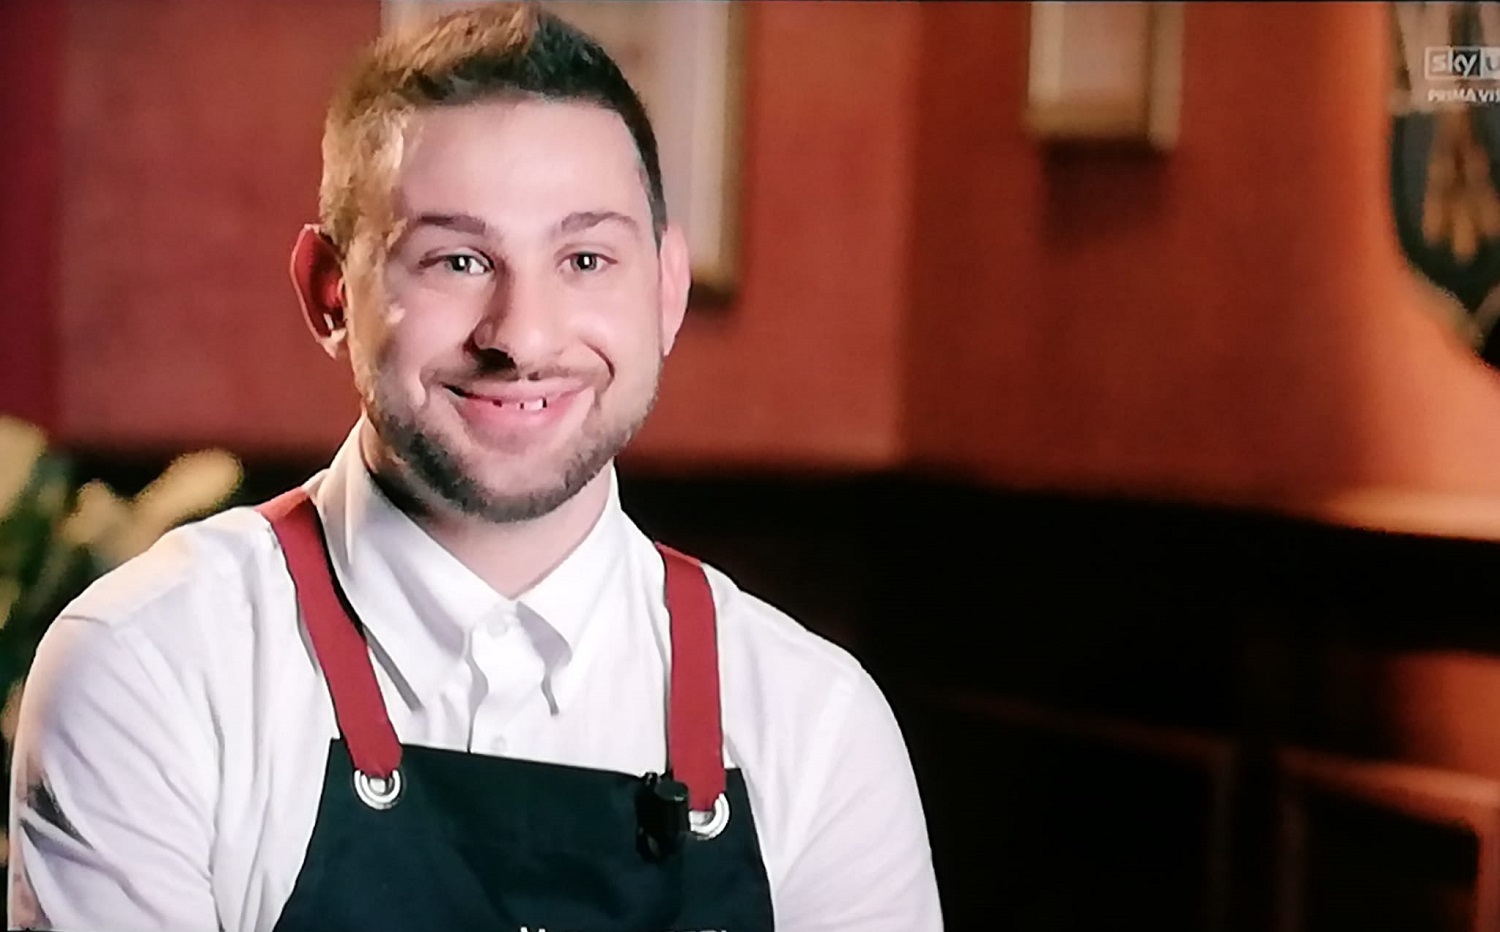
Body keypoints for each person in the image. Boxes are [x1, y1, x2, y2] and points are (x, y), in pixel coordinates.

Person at [6, 5, 943, 931]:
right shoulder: (153, 666)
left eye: (585, 259)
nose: (522, 337)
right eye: (456, 260)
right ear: (330, 293)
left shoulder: (816, 725)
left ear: (665, 291)